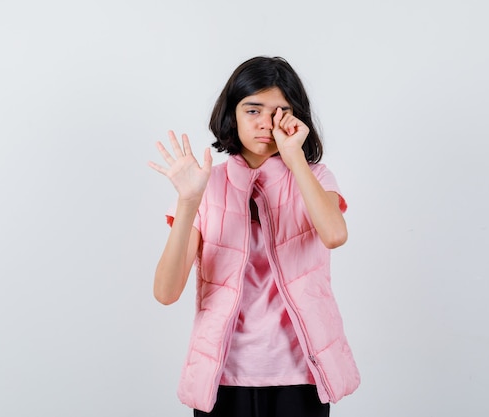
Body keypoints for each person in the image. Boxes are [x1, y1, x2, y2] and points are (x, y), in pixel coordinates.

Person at [148, 56, 360, 417]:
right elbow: (166, 292)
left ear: (296, 118)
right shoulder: (206, 185)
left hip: (302, 376)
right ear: (232, 114)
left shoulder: (315, 177)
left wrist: (294, 158)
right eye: (253, 110)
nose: (266, 123)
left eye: (279, 112)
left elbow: (335, 234)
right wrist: (188, 202)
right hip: (223, 380)